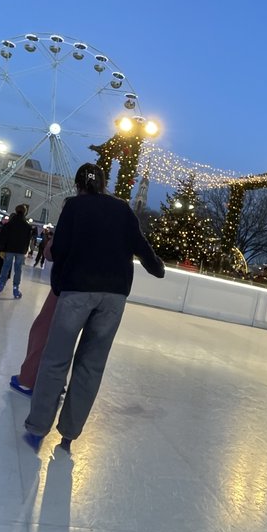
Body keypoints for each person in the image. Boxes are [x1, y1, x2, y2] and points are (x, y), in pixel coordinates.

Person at [23, 163, 165, 454]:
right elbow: (141, 245)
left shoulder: (75, 207)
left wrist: (60, 283)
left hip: (77, 290)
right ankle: (69, 434)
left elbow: (59, 249)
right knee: (91, 364)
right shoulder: (122, 209)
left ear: (78, 185)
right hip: (113, 295)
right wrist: (157, 267)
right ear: (102, 184)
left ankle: (38, 427)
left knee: (56, 360)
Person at [11, 227, 58, 396]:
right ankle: (57, 383)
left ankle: (28, 379)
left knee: (42, 330)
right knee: (66, 338)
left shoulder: (73, 217)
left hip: (67, 285)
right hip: (98, 290)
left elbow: (50, 252)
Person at [0, 205, 32, 298]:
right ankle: (15, 288)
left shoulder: (9, 224)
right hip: (20, 250)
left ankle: (1, 284)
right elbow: (28, 240)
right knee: (18, 269)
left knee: (6, 266)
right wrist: (26, 250)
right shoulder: (27, 226)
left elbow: (3, 236)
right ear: (25, 212)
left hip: (9, 249)